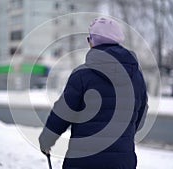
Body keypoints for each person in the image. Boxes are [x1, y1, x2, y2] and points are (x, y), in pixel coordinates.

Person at [39, 17, 148, 169]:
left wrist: (47, 140)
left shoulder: (82, 75)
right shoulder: (136, 76)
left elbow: (62, 113)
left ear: (92, 42)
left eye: (89, 38)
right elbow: (141, 116)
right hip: (122, 162)